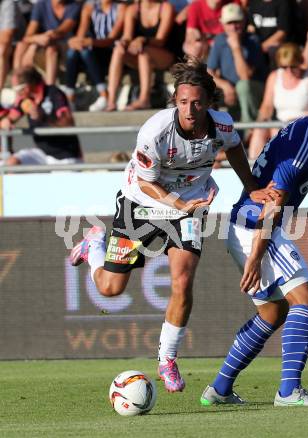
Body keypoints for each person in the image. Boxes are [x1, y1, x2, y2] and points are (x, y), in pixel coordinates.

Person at [69, 58, 277, 393]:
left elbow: (236, 150)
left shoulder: (222, 126)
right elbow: (148, 183)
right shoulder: (155, 132)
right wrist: (179, 204)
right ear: (174, 102)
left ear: (209, 102)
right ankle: (94, 245)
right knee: (110, 289)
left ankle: (167, 358)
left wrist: (251, 186)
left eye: (196, 102)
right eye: (182, 103)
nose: (190, 110)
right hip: (143, 203)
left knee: (182, 279)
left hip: (188, 209)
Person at [200, 76, 308, 407]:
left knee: (272, 313)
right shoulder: (306, 145)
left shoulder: (307, 130)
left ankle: (218, 389)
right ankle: (289, 392)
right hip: (256, 228)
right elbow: (271, 204)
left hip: (243, 225)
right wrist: (255, 255)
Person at [248, 42, 308, 159]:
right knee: (259, 131)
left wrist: (300, 121)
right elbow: (267, 106)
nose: (289, 71)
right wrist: (257, 124)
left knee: (281, 132)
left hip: (305, 126)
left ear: (300, 62)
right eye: (284, 67)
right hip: (280, 126)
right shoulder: (274, 76)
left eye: (293, 66)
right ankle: (253, 171)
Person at [0, 66, 82, 166]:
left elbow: (69, 123)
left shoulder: (54, 94)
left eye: (17, 89)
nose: (16, 94)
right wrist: (6, 121)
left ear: (26, 87)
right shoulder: (25, 100)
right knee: (11, 163)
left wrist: (43, 118)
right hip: (43, 153)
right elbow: (10, 117)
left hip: (65, 155)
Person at [105, 0, 175, 111]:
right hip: (141, 54)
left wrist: (143, 39)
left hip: (164, 55)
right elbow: (127, 36)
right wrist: (123, 43)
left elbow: (161, 40)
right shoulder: (132, 9)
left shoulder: (166, 8)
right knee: (118, 50)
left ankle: (144, 100)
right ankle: (111, 101)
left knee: (144, 52)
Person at [207, 3, 267, 125]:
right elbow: (209, 71)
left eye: (237, 22)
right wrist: (224, 85)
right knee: (205, 89)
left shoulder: (253, 40)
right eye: (229, 23)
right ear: (222, 24)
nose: (233, 27)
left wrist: (236, 47)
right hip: (229, 88)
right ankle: (211, 132)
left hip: (253, 89)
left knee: (243, 86)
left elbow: (245, 76)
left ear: (244, 21)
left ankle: (248, 130)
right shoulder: (220, 40)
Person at [65, 0, 127, 111]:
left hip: (111, 50)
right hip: (94, 50)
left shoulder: (120, 7)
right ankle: (70, 96)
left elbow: (112, 38)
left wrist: (90, 42)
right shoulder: (89, 7)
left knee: (84, 51)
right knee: (73, 51)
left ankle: (104, 94)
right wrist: (76, 42)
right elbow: (81, 34)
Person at [13, 0, 81, 85]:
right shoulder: (41, 5)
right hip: (44, 43)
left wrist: (37, 42)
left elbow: (62, 30)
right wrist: (36, 41)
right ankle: (18, 84)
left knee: (51, 49)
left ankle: (50, 89)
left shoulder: (74, 6)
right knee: (21, 45)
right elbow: (28, 36)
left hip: (66, 47)